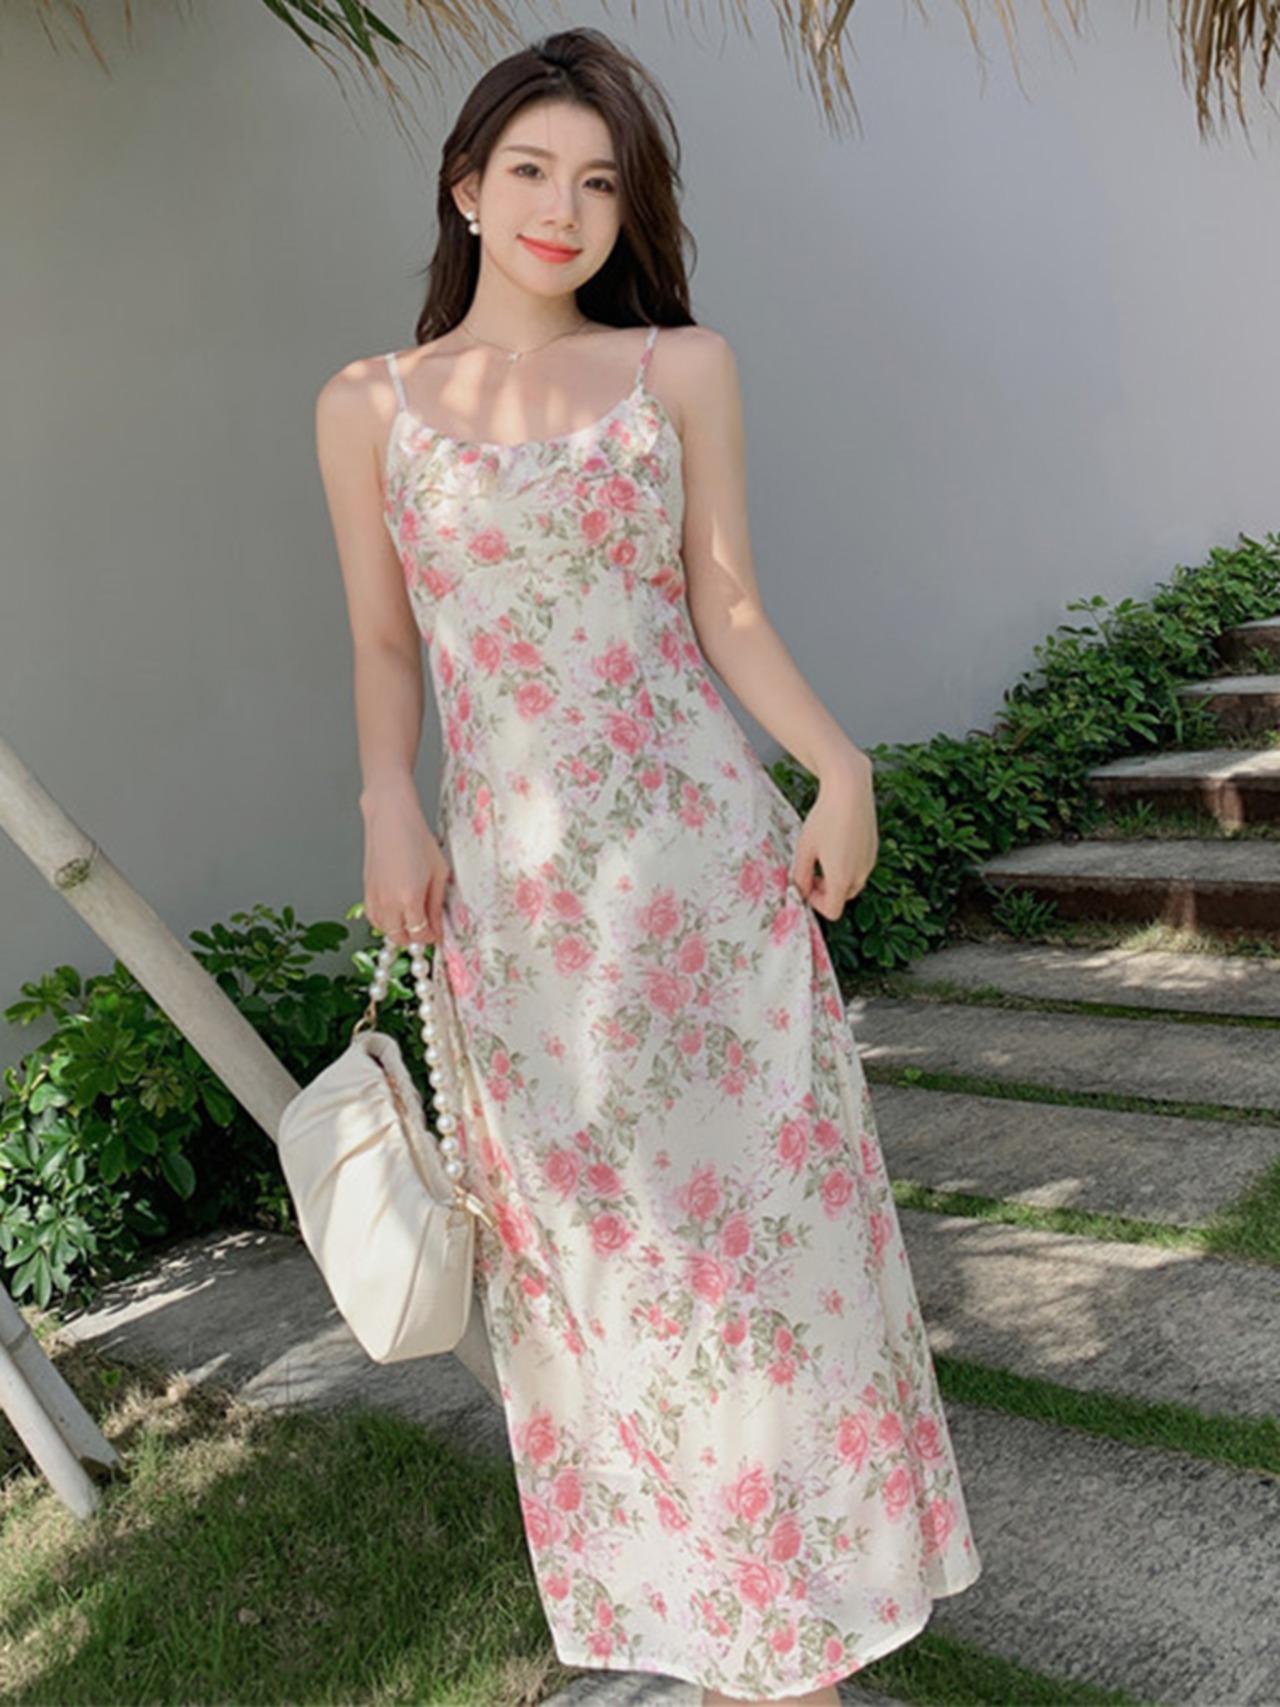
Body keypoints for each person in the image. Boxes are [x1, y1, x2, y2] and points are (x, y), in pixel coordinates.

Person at [314, 26, 981, 1706]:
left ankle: (805, 1653)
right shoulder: (366, 408)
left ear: (630, 211)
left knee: (769, 1270)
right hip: (526, 923)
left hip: (703, 886)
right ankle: (722, 1635)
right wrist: (388, 798)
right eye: (532, 170)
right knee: (612, 1293)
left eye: (601, 182)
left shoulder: (678, 368)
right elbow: (385, 644)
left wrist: (839, 765)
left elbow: (725, 603)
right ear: (466, 188)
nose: (564, 208)